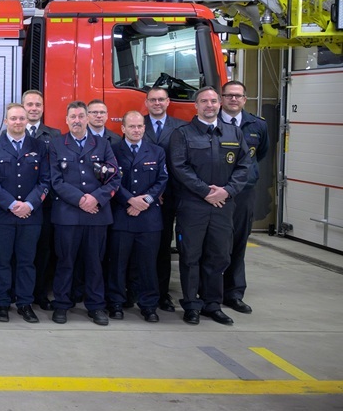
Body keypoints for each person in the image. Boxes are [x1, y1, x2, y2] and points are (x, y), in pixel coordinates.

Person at [169, 87, 251, 326]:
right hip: (193, 206)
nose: (209, 105)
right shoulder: (182, 134)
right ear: (196, 105)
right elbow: (179, 167)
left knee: (218, 256)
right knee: (190, 257)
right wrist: (206, 192)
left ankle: (212, 305)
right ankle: (192, 305)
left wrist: (227, 191)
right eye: (204, 101)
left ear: (220, 104)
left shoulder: (234, 133)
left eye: (214, 101)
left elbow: (244, 166)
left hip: (223, 206)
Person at [48, 101, 119, 326]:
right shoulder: (57, 144)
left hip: (96, 214)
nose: (77, 120)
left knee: (94, 262)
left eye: (81, 116)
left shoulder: (103, 144)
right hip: (67, 214)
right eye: (73, 117)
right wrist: (80, 199)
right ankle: (61, 304)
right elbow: (55, 180)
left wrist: (95, 198)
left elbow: (114, 177)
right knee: (65, 261)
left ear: (87, 118)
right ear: (66, 120)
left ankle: (96, 306)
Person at [0, 103, 50, 324]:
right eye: (13, 118)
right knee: (2, 261)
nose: (17, 122)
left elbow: (45, 181)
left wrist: (29, 205)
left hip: (31, 216)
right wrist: (12, 204)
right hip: (3, 215)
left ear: (27, 121)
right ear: (5, 121)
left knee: (26, 261)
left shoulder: (40, 147)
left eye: (21, 119)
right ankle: (2, 303)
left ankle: (25, 303)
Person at [106, 111, 168, 322]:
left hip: (148, 219)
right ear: (122, 128)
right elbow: (110, 180)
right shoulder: (112, 151)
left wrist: (145, 202)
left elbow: (162, 180)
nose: (136, 130)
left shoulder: (157, 152)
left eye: (140, 126)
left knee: (148, 265)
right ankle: (115, 302)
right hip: (121, 216)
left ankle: (148, 305)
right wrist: (129, 201)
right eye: (131, 126)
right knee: (117, 264)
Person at [219, 81, 269, 314]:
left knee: (239, 242)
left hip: (243, 193)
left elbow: (258, 155)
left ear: (245, 99)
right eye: (229, 95)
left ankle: (234, 293)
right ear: (222, 98)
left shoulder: (257, 125)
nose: (233, 99)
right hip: (215, 193)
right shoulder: (211, 123)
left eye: (238, 96)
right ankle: (210, 291)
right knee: (214, 244)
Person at [143, 87, 187, 313]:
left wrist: (162, 190)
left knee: (162, 246)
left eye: (161, 99)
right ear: (146, 102)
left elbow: (182, 162)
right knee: (141, 248)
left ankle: (162, 293)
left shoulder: (180, 127)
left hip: (169, 196)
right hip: (143, 198)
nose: (157, 103)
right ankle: (138, 290)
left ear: (168, 102)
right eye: (153, 100)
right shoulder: (137, 124)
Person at [21, 89, 61, 311]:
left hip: (44, 204)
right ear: (23, 107)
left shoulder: (54, 136)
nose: (34, 108)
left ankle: (40, 293)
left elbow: (55, 171)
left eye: (38, 104)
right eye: (30, 104)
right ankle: (19, 291)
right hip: (17, 206)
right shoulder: (10, 132)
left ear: (43, 108)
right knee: (21, 252)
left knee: (44, 250)